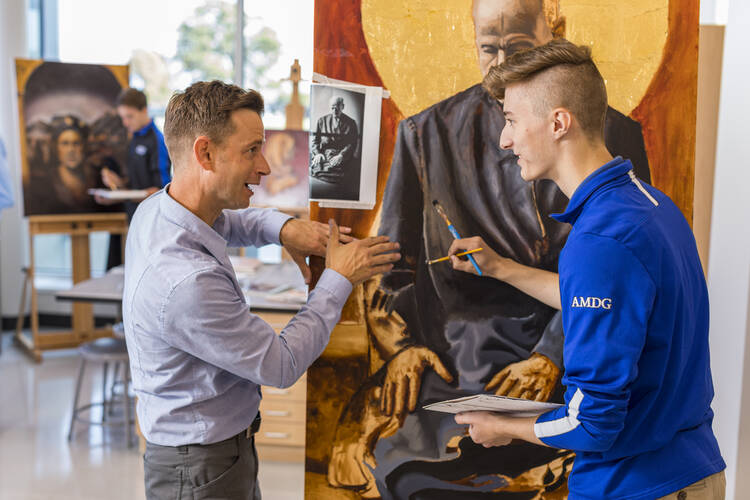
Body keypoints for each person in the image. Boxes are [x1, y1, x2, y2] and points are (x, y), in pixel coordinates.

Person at [327, 0, 650, 497]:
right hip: (452, 362)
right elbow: (388, 262)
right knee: (405, 467)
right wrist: (403, 346)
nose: (501, 66)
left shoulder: (615, 136)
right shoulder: (425, 133)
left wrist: (551, 356)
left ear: (554, 29)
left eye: (518, 49)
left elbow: (608, 282)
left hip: (563, 360)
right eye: (488, 49)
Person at [451, 38, 725, 499]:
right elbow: (617, 306)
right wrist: (500, 268)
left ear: (558, 122)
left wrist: (505, 426)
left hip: (635, 487)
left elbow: (592, 423)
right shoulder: (650, 206)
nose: (505, 139)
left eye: (512, 120)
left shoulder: (600, 241)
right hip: (689, 472)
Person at [122, 80, 400, 500]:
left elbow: (231, 222)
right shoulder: (186, 283)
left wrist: (286, 228)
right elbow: (281, 364)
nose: (265, 167)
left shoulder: (159, 210)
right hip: (199, 468)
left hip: (212, 454)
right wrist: (338, 279)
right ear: (205, 153)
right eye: (252, 150)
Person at [95, 88, 171, 220]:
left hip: (152, 220)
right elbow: (135, 186)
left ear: (144, 110)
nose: (125, 123)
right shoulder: (134, 139)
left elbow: (162, 191)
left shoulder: (158, 141)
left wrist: (124, 195)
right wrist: (117, 185)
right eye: (123, 117)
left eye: (129, 116)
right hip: (133, 218)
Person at [310, 95, 360, 200]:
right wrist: (318, 153)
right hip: (324, 155)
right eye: (332, 107)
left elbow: (352, 143)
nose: (334, 110)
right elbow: (315, 141)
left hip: (342, 156)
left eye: (337, 107)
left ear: (343, 106)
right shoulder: (321, 121)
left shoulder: (351, 123)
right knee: (316, 164)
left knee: (348, 172)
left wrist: (341, 155)